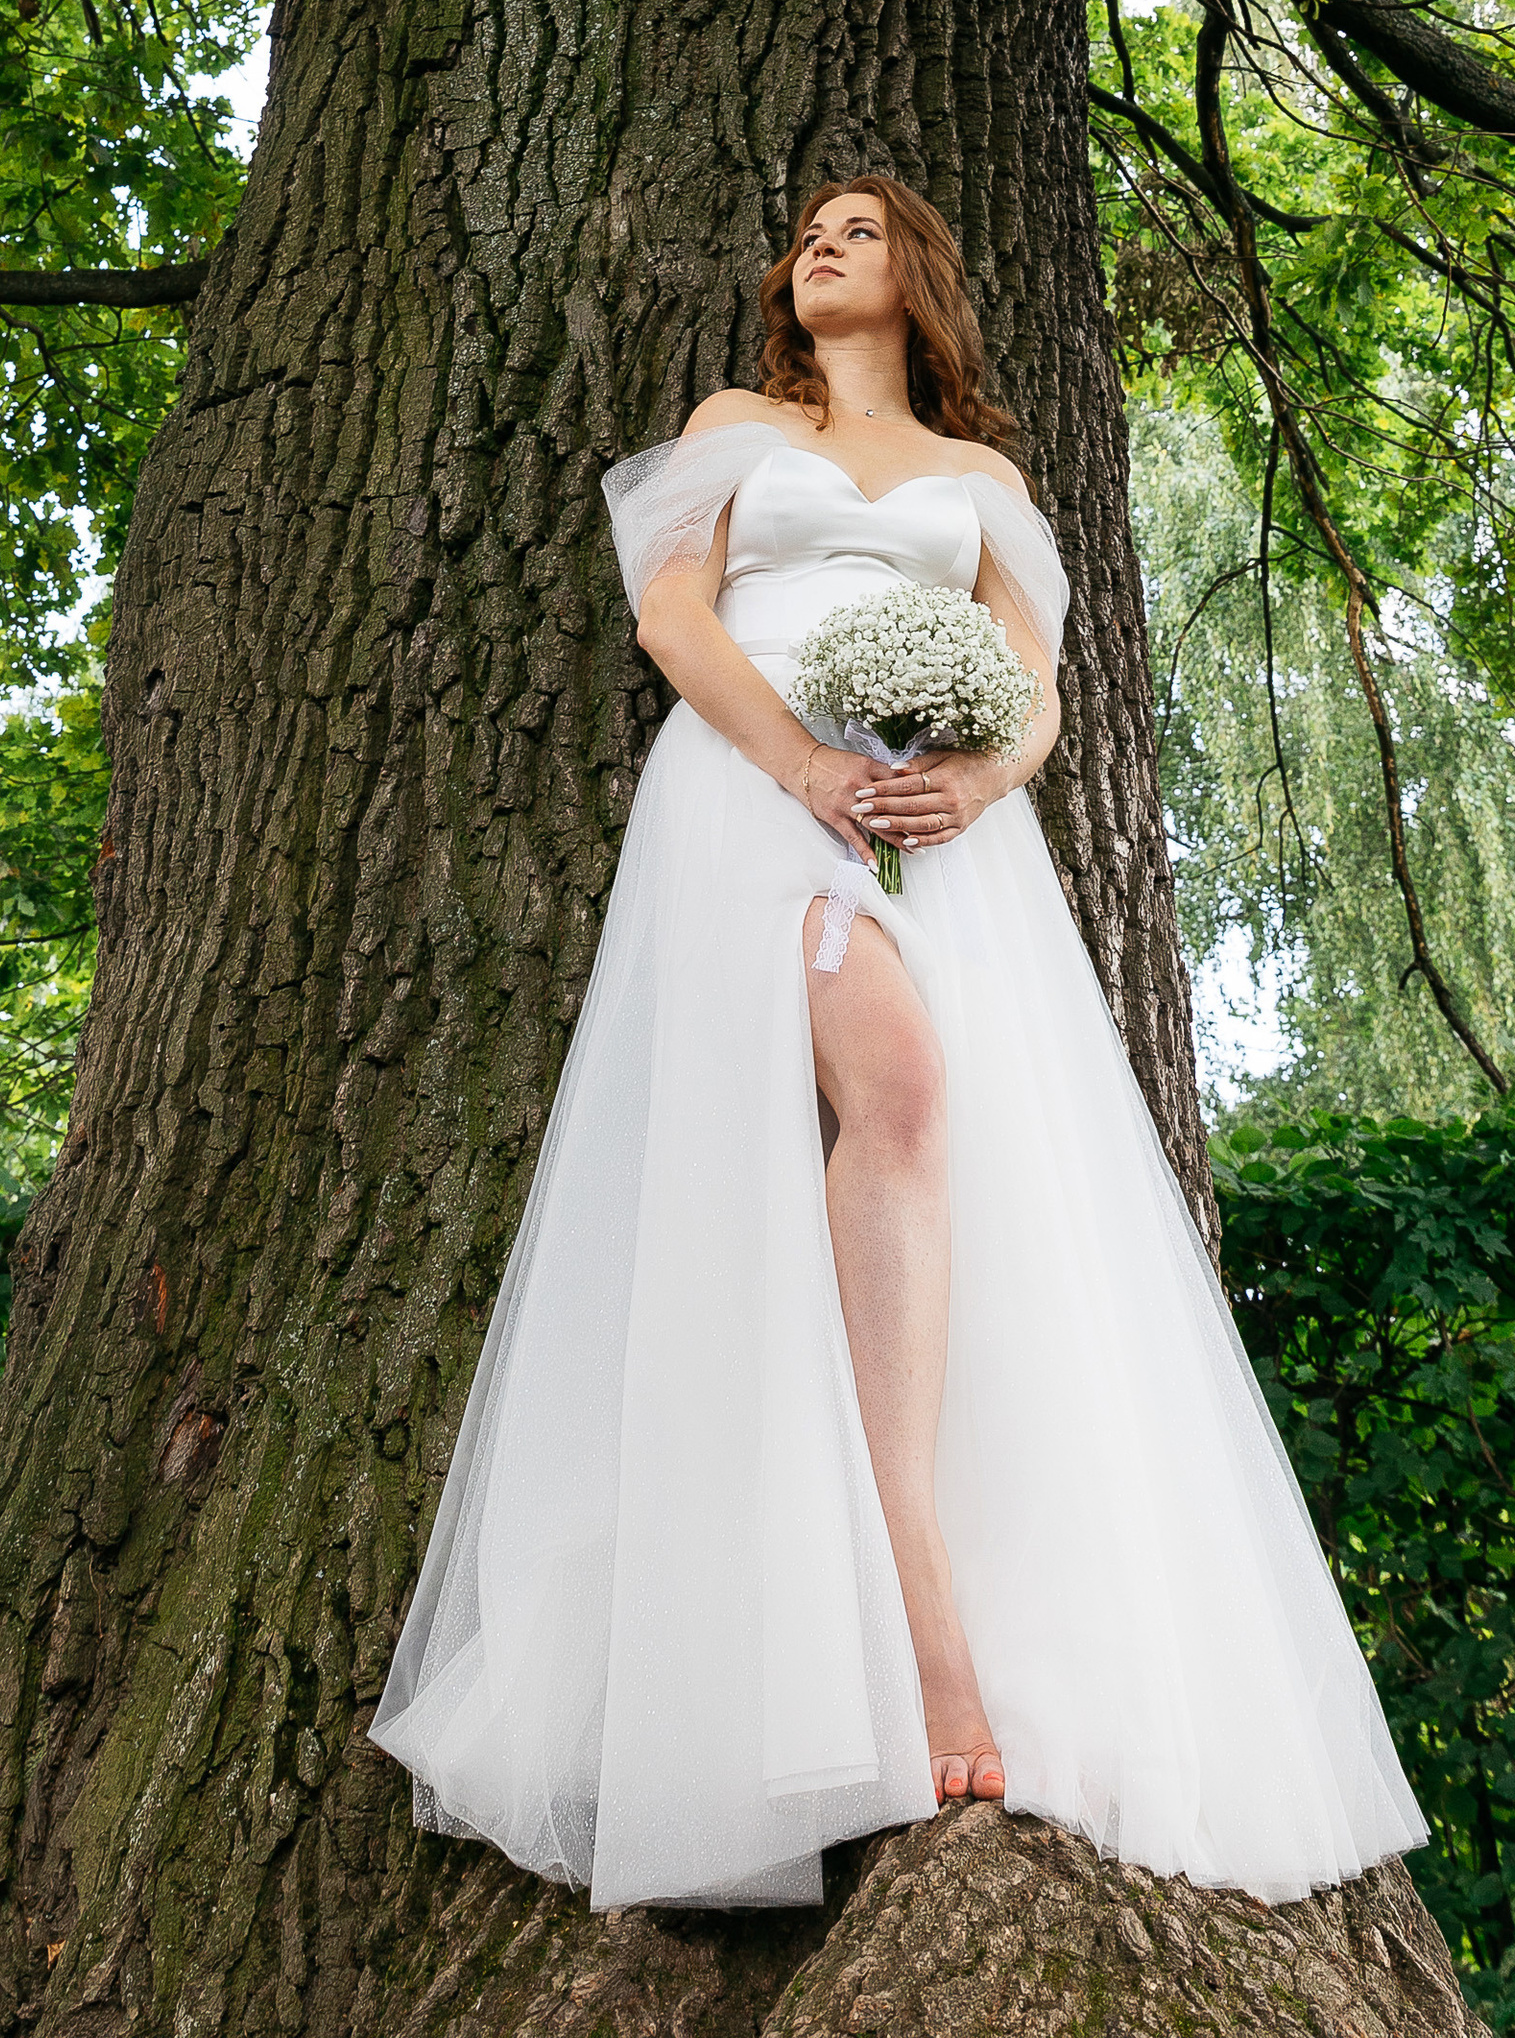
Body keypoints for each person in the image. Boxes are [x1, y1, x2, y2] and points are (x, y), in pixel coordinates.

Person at [372, 176, 1424, 1916]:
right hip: (752, 794)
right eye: (803, 234)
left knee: (939, 1141)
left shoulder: (985, 482)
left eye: (857, 229)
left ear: (916, 274)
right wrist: (801, 768)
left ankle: (919, 1565)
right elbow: (672, 618)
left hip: (941, 835)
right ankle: (918, 1606)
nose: (819, 247)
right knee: (906, 1089)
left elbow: (1039, 690)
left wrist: (975, 776)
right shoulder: (735, 426)